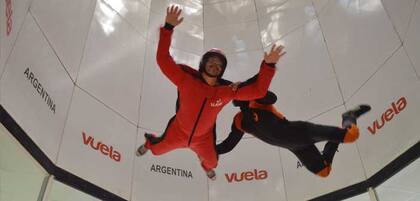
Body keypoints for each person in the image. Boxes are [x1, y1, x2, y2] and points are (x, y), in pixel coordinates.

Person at [136, 5, 286, 180]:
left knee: (212, 162)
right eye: (211, 62)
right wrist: (168, 28)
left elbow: (258, 90)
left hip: (203, 139)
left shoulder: (226, 92)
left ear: (222, 70)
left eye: (219, 65)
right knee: (157, 151)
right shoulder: (186, 81)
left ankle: (205, 165)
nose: (215, 65)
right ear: (203, 65)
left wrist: (268, 66)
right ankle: (148, 143)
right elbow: (163, 60)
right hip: (178, 132)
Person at [216, 90, 371, 177]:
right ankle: (338, 135)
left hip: (301, 132)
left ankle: (349, 117)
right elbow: (228, 145)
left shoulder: (258, 101)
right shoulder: (238, 120)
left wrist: (251, 91)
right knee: (324, 172)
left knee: (352, 136)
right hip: (295, 147)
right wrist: (204, 148)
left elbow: (272, 97)